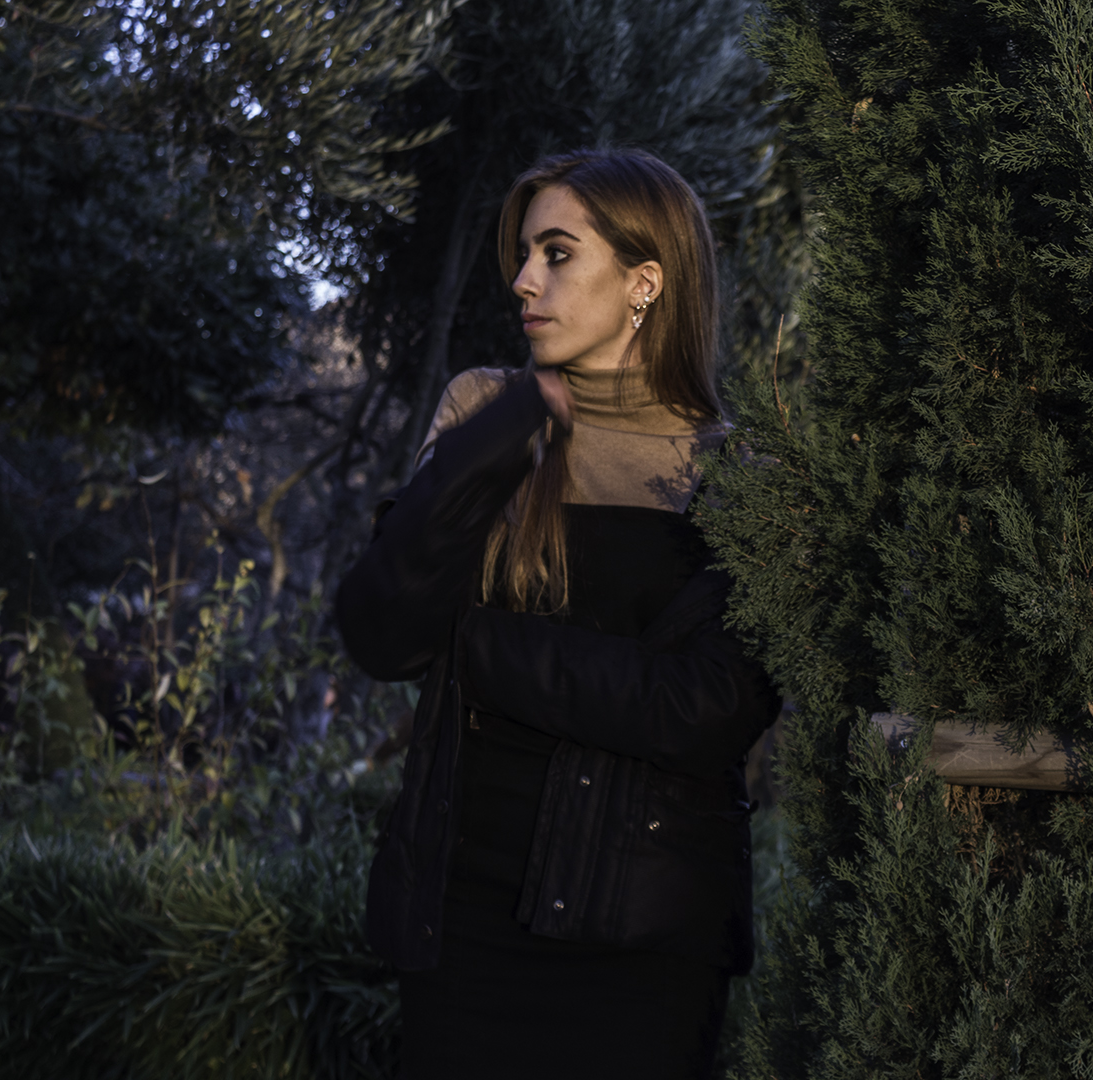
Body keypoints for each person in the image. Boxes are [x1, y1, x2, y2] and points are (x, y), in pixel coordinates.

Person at [335, 148, 781, 1080]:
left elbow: (704, 709)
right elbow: (382, 632)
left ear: (644, 282)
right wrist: (504, 435)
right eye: (524, 254)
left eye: (557, 253)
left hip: (645, 944)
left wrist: (478, 647)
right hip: (461, 921)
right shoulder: (482, 413)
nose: (522, 279)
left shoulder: (738, 475)